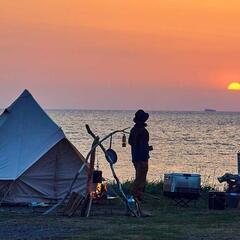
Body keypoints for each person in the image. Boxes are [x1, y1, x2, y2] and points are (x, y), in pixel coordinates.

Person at [128, 109, 152, 201]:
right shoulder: (143, 132)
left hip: (135, 157)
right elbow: (142, 146)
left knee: (139, 177)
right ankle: (136, 196)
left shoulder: (133, 130)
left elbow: (130, 142)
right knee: (141, 178)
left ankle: (137, 196)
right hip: (142, 158)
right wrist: (147, 149)